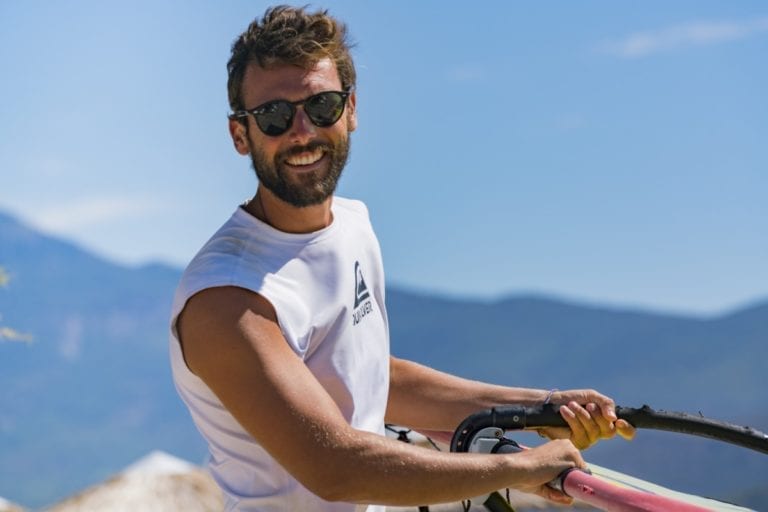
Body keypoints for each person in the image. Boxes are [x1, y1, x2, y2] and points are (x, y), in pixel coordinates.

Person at [169, 5, 635, 511]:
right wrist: (519, 468)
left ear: (351, 111)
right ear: (241, 135)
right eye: (275, 116)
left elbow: (370, 377)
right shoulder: (226, 300)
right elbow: (337, 467)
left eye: (321, 106)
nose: (302, 131)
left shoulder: (353, 227)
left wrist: (538, 406)